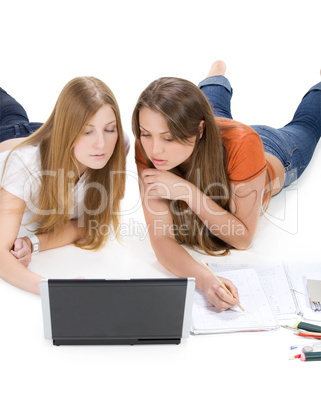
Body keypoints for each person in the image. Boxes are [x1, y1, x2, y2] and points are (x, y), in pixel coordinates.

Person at [133, 60, 321, 311]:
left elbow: (242, 238)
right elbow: (162, 239)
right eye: (146, 133)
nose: (155, 149)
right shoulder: (150, 147)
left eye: (168, 137)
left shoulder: (241, 142)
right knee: (213, 107)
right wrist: (206, 280)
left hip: (272, 148)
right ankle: (216, 74)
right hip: (217, 135)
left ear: (199, 131)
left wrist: (187, 192)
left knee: (307, 124)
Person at [0, 77, 128, 294]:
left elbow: (89, 225)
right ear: (69, 130)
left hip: (42, 134)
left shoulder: (115, 148)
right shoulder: (25, 164)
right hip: (9, 140)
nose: (101, 143)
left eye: (109, 129)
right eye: (87, 131)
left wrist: (33, 243)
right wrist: (53, 289)